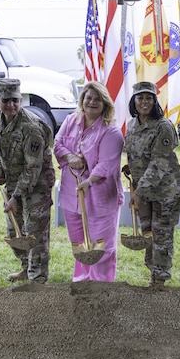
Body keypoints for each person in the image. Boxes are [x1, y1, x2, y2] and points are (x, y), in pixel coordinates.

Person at [53, 81, 124, 281]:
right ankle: (82, 281)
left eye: (97, 99)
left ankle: (101, 286)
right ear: (82, 99)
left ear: (105, 103)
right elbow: (57, 144)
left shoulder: (111, 131)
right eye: (88, 97)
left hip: (100, 197)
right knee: (80, 244)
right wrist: (70, 157)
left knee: (101, 247)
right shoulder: (70, 121)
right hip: (71, 195)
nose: (92, 102)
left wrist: (89, 181)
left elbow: (107, 165)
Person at [0, 78, 55, 283]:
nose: (10, 105)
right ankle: (25, 267)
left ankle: (37, 279)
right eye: (5, 100)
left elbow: (33, 168)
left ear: (21, 100)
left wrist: (16, 196)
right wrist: (0, 169)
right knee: (14, 229)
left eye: (14, 100)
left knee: (35, 232)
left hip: (38, 183)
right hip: (15, 180)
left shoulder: (31, 128)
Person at [124, 81, 180, 286]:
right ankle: (153, 274)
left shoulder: (163, 127)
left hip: (165, 192)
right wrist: (129, 168)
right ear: (134, 101)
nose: (144, 101)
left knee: (161, 236)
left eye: (149, 98)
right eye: (140, 97)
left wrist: (139, 193)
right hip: (145, 192)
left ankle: (160, 279)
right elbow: (135, 155)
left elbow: (158, 162)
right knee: (148, 233)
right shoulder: (132, 125)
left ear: (155, 101)